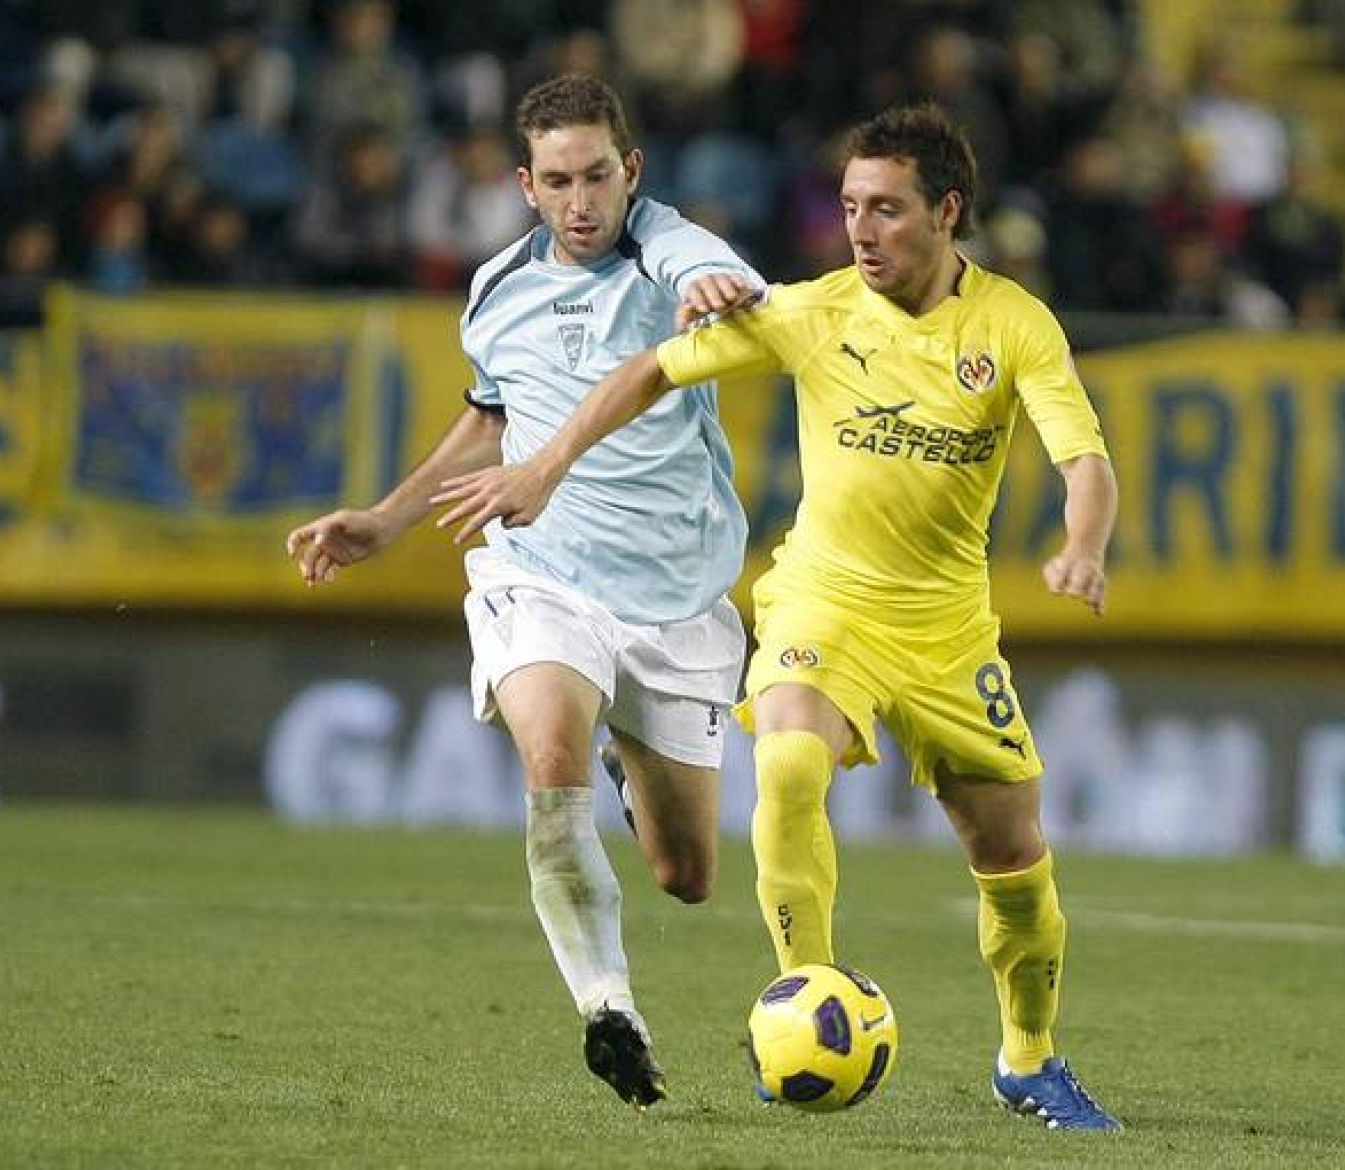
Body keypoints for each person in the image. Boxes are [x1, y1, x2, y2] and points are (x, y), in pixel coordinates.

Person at [434, 104, 1123, 1131]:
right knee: (792, 761)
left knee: (1015, 864)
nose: (861, 230)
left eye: (886, 210)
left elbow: (1085, 460)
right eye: (849, 207)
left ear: (947, 212)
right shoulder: (814, 311)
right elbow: (648, 371)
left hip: (945, 629)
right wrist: (542, 464)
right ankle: (804, 1001)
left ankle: (1027, 1061)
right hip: (819, 599)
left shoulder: (1013, 326)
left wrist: (1080, 544)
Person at [286, 73, 762, 1108]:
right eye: (558, 181)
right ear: (525, 185)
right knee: (549, 760)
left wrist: (714, 290)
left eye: (599, 175)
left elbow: (719, 281)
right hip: (543, 575)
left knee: (687, 877)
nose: (582, 201)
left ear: (632, 171)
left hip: (677, 598)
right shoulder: (497, 286)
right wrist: (387, 517)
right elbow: (491, 418)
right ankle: (609, 1010)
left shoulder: (671, 250)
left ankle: (633, 775)